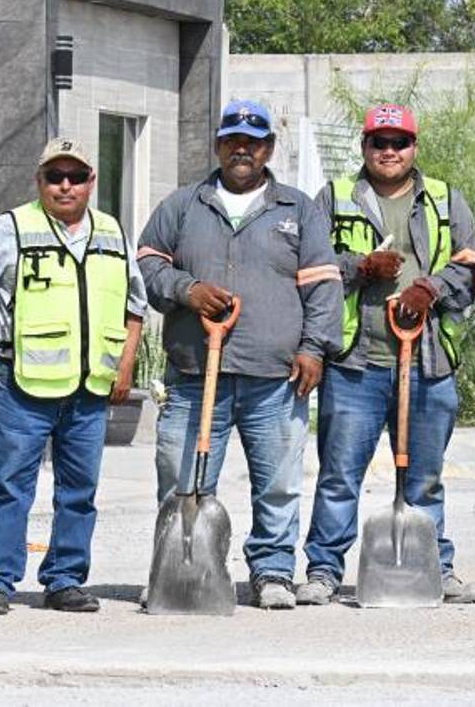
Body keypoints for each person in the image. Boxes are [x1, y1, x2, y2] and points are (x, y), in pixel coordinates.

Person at [138, 100, 342, 610]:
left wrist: (314, 348)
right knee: (183, 478)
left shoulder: (298, 210)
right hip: (193, 371)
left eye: (253, 142)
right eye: (232, 140)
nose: (242, 149)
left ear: (269, 149)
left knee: (277, 483)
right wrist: (186, 290)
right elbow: (146, 265)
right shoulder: (183, 205)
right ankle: (177, 570)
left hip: (274, 375)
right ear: (218, 145)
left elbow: (323, 285)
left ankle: (272, 572)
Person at [296, 103, 475, 607]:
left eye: (399, 142)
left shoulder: (444, 199)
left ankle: (436, 568)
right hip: (356, 365)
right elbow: (309, 267)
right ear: (364, 147)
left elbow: (471, 265)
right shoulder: (334, 198)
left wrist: (432, 289)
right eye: (379, 142)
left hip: (427, 363)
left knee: (424, 478)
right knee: (339, 476)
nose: (389, 151)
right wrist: (359, 266)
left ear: (413, 148)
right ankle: (323, 570)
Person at [0, 138, 147, 615]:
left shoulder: (112, 231)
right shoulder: (11, 229)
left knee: (80, 492)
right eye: (55, 176)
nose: (66, 185)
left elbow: (135, 306)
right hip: (24, 386)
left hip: (90, 389)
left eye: (76, 176)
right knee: (12, 487)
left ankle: (65, 579)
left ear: (91, 182)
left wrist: (125, 365)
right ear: (38, 181)